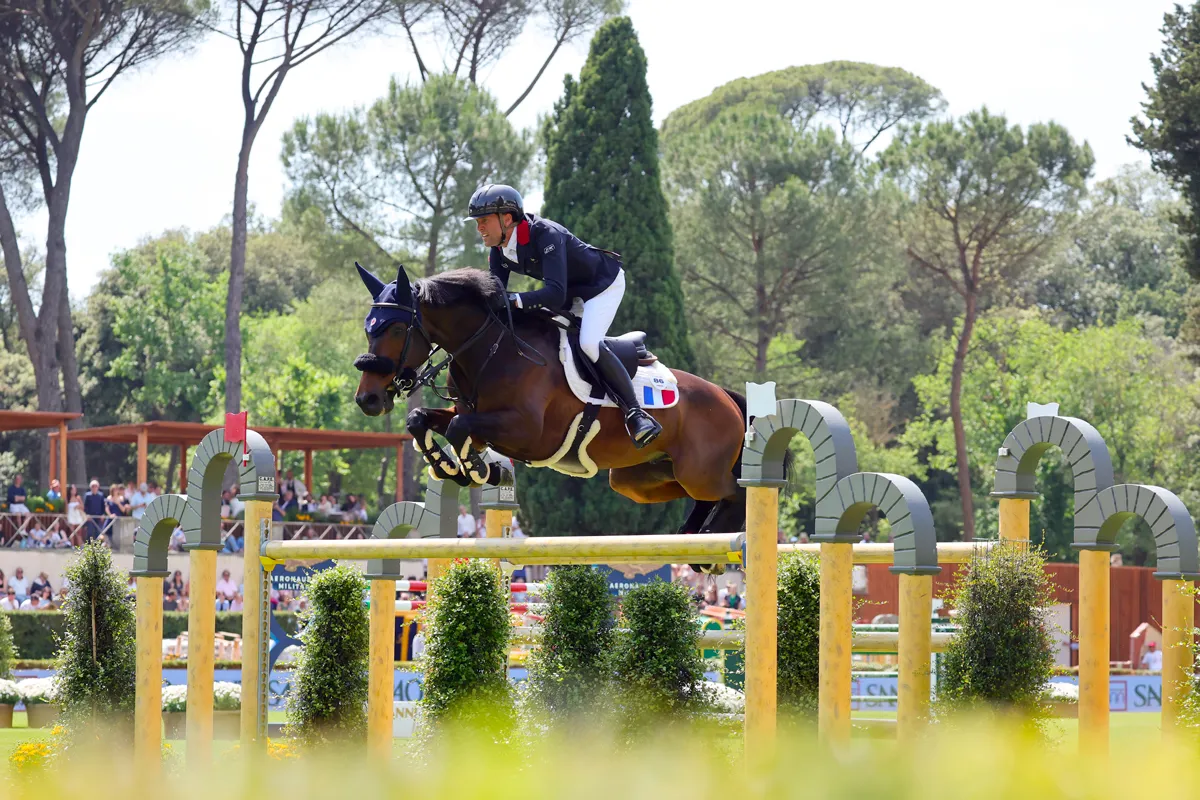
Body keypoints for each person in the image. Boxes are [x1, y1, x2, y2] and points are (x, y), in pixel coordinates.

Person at [467, 183, 662, 447]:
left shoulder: (546, 234)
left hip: (601, 286)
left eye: (484, 221)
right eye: (477, 222)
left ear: (507, 219)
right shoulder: (499, 248)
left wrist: (515, 300)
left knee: (588, 343)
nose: (479, 228)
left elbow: (554, 293)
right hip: (572, 294)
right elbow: (495, 295)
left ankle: (636, 414)